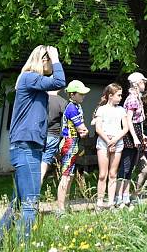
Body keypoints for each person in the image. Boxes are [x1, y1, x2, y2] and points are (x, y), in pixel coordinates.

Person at [0, 45, 66, 246]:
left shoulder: (33, 83)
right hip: (25, 147)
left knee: (18, 202)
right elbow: (60, 81)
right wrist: (55, 57)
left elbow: (54, 86)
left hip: (29, 147)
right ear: (43, 60)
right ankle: (24, 246)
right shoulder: (29, 77)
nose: (53, 64)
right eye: (50, 60)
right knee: (30, 204)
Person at [56, 80, 90, 216]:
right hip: (69, 143)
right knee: (65, 176)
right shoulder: (71, 108)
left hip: (73, 143)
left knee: (69, 175)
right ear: (72, 94)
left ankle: (65, 204)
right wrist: (84, 131)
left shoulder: (76, 106)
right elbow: (82, 129)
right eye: (80, 93)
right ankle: (60, 209)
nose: (83, 95)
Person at [116, 72, 147, 207]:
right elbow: (128, 120)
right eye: (142, 82)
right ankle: (119, 197)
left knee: (130, 168)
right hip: (130, 136)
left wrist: (142, 135)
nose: (144, 84)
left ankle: (125, 196)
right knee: (125, 167)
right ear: (136, 84)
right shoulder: (132, 99)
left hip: (136, 134)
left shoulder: (137, 98)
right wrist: (136, 137)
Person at [94, 83, 127, 210]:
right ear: (110, 96)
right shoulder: (101, 109)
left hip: (117, 142)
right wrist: (108, 141)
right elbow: (98, 128)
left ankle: (111, 202)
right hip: (103, 142)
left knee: (113, 173)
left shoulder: (121, 110)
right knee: (103, 174)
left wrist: (115, 140)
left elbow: (125, 128)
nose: (120, 98)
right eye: (118, 95)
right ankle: (100, 201)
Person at [41, 90, 67, 183]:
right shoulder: (62, 102)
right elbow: (67, 121)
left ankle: (22, 194)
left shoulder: (40, 99)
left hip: (37, 135)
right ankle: (34, 194)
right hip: (52, 135)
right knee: (44, 164)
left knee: (32, 163)